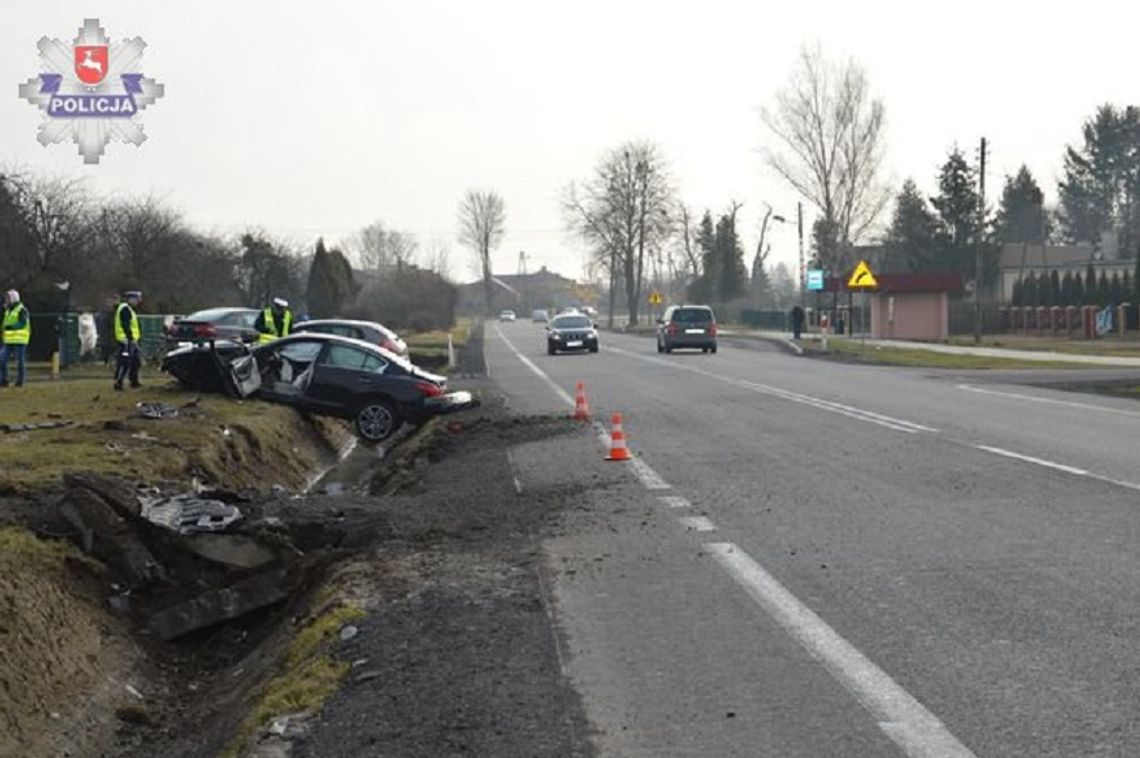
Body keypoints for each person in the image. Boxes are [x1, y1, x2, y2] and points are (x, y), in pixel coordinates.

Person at [113, 290, 143, 391]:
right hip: (125, 340)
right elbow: (126, 325)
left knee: (136, 362)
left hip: (131, 340)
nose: (138, 301)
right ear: (131, 299)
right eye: (136, 299)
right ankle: (118, 382)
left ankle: (134, 381)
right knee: (124, 363)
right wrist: (130, 338)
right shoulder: (125, 309)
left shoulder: (128, 309)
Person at [1, 290, 31, 388]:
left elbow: (22, 323)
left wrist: (11, 327)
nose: (6, 300)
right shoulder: (7, 310)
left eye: (8, 298)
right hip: (9, 340)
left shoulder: (22, 310)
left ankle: (20, 381)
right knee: (2, 360)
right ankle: (4, 380)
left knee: (20, 361)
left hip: (20, 340)